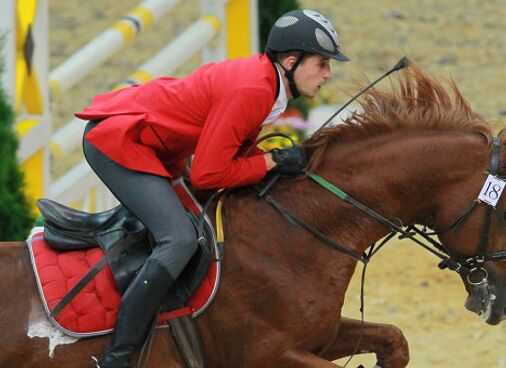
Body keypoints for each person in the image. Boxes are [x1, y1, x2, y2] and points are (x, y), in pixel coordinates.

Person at [77, 9, 348, 367]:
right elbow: (207, 175)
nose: (327, 74)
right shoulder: (254, 88)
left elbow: (233, 150)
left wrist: (270, 159)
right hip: (119, 142)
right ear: (292, 60)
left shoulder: (266, 83)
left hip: (155, 145)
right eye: (322, 64)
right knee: (180, 238)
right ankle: (118, 355)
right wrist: (271, 162)